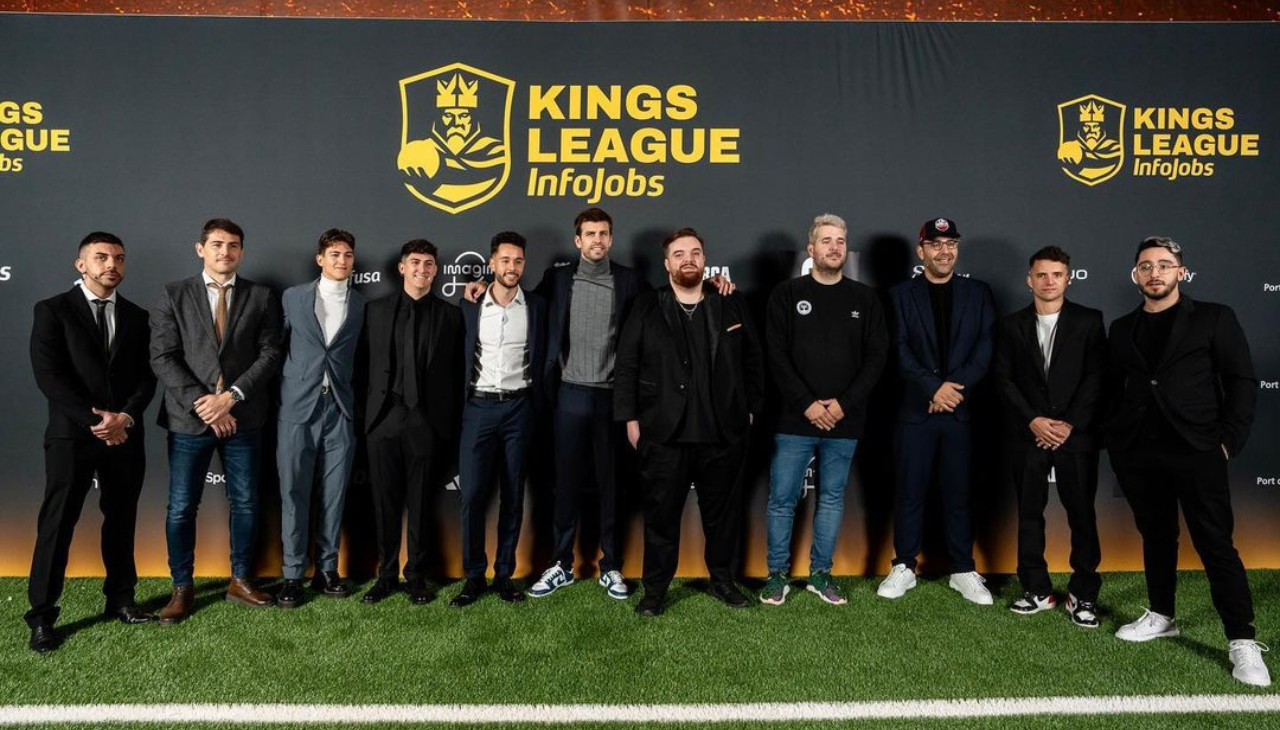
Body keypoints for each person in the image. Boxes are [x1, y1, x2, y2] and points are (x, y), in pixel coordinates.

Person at [1105, 236, 1268, 687]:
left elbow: (1241, 380)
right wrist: (1117, 442)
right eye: (1145, 266)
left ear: (1181, 271)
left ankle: (1242, 640)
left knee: (1215, 543)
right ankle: (1161, 614)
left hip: (1198, 449)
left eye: (1164, 265)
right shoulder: (1121, 329)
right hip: (1138, 453)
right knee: (1156, 537)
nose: (1154, 273)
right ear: (1136, 275)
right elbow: (1113, 390)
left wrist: (1228, 442)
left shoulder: (1214, 317)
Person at [615, 227, 764, 617]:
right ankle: (655, 591)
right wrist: (629, 417)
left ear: (704, 259)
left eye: (695, 253)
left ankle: (723, 581)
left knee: (723, 518)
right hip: (664, 434)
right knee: (660, 519)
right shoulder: (647, 306)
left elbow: (754, 360)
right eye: (679, 254)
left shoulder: (730, 302)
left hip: (722, 432)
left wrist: (749, 407)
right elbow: (627, 364)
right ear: (667, 264)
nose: (688, 260)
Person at [25, 232, 158, 653]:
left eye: (119, 258)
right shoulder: (52, 310)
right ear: (81, 264)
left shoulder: (137, 316)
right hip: (72, 436)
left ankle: (121, 600)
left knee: (121, 519)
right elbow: (49, 376)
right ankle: (42, 616)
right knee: (58, 522)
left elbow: (145, 377)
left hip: (123, 434)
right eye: (101, 257)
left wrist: (125, 417)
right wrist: (94, 420)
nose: (111, 265)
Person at [150, 218, 284, 623]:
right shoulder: (174, 294)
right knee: (180, 508)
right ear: (200, 249)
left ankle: (240, 580)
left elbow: (270, 353)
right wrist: (204, 404)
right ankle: (182, 588)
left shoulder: (261, 296)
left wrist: (230, 398)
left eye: (233, 245)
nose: (225, 252)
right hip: (189, 420)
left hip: (244, 416)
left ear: (241, 251)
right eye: (217, 244)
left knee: (245, 503)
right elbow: (162, 356)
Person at [760, 214, 887, 606]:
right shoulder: (786, 294)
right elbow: (776, 356)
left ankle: (821, 573)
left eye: (840, 241)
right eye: (826, 240)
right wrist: (808, 405)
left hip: (844, 422)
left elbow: (876, 358)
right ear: (811, 248)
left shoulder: (865, 298)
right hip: (794, 419)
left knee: (831, 498)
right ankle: (776, 575)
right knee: (782, 498)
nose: (834, 247)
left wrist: (841, 405)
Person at [878, 217, 995, 605]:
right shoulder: (899, 294)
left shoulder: (978, 293)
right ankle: (904, 566)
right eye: (936, 245)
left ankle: (962, 569)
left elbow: (984, 350)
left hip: (959, 412)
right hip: (916, 411)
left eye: (951, 244)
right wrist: (932, 387)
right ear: (921, 251)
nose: (945, 252)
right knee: (909, 491)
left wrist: (952, 391)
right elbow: (898, 350)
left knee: (959, 493)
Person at [993, 245, 1106, 626]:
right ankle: (1036, 589)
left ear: (1068, 278)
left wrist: (1068, 424)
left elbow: (1096, 378)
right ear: (1029, 280)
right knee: (1029, 515)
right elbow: (1003, 379)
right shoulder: (1010, 325)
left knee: (1082, 517)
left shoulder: (1090, 321)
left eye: (1056, 274)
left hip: (1076, 437)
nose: (1049, 281)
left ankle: (1084, 594)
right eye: (1041, 274)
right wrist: (1034, 421)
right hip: (1028, 435)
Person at [359, 239, 464, 606]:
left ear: (436, 270)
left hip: (426, 420)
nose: (422, 269)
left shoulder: (452, 316)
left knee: (420, 503)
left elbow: (456, 374)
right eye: (415, 262)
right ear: (402, 267)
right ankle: (385, 575)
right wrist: (367, 422)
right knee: (384, 503)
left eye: (430, 263)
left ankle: (416, 575)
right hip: (383, 418)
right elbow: (360, 369)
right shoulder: (374, 311)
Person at [452, 231, 548, 607]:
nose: (512, 268)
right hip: (478, 407)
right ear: (491, 263)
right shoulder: (470, 304)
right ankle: (474, 576)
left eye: (518, 261)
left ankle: (505, 574)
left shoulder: (538, 306)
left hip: (520, 408)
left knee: (513, 495)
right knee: (472, 495)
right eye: (505, 260)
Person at [275, 229, 366, 608]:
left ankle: (327, 570)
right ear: (320, 259)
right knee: (293, 492)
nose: (341, 261)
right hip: (297, 407)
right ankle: (293, 574)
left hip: (340, 409)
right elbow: (274, 348)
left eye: (347, 255)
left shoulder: (361, 304)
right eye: (334, 254)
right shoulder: (293, 298)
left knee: (334, 494)